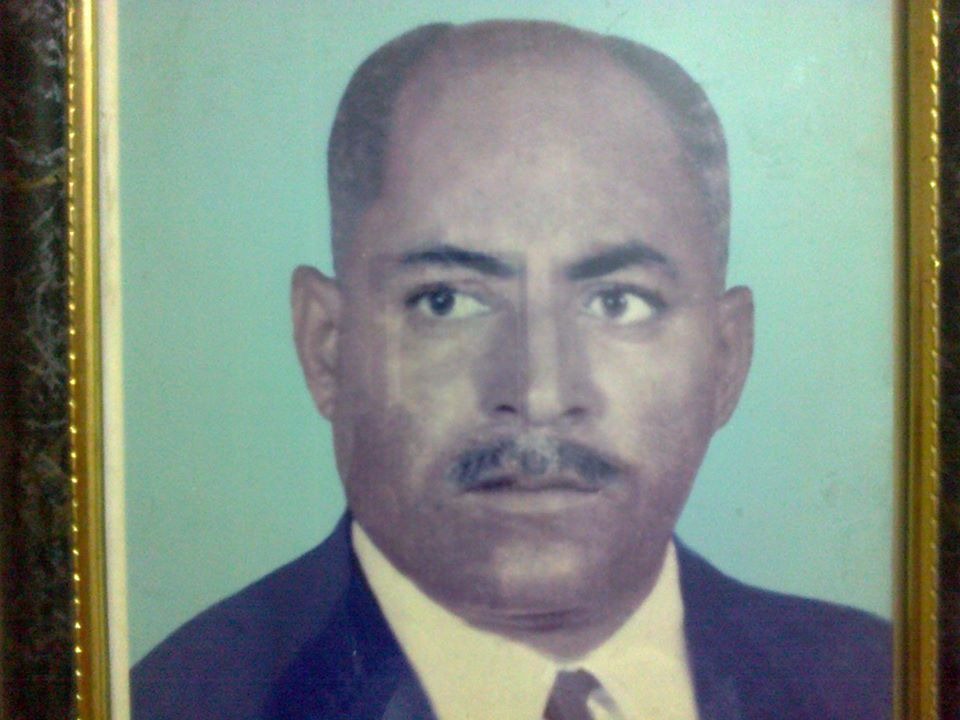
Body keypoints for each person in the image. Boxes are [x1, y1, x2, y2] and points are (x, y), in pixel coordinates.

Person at [131, 20, 890, 720]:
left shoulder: (880, 680)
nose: (538, 392)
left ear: (726, 359)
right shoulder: (170, 702)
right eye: (447, 301)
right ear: (326, 345)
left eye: (617, 302)